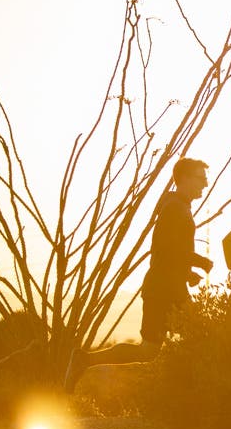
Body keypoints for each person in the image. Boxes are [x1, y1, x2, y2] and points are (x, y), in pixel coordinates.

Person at [63, 157, 212, 392]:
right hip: (165, 288)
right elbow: (166, 248)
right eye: (200, 178)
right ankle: (193, 397)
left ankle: (85, 360)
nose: (205, 184)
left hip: (164, 285)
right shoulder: (175, 207)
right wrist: (198, 261)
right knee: (202, 337)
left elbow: (169, 252)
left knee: (149, 351)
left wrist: (187, 272)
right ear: (183, 178)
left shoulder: (177, 206)